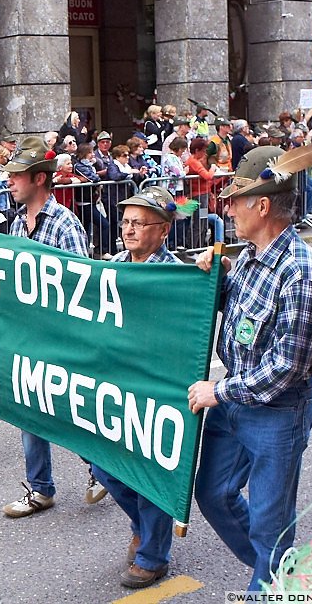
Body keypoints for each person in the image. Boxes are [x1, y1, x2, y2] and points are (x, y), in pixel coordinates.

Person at [191, 146, 312, 593]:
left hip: (275, 411)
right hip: (235, 399)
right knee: (213, 494)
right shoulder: (252, 254)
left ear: (264, 206)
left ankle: (268, 584)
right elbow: (234, 305)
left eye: (236, 200)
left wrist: (220, 392)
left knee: (271, 524)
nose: (228, 208)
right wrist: (213, 274)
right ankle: (282, 578)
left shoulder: (302, 271)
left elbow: (289, 366)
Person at [92, 185, 187, 588]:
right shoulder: (111, 265)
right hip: (114, 384)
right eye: (125, 221)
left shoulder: (178, 275)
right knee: (104, 466)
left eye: (138, 222)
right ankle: (143, 528)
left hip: (155, 390)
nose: (128, 229)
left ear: (163, 230)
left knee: (150, 472)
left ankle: (153, 554)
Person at [0, 137, 89, 519]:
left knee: (70, 408)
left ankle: (105, 467)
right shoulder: (19, 224)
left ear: (39, 179)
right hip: (29, 336)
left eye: (17, 176)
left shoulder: (64, 224)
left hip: (60, 337)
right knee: (28, 409)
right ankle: (40, 488)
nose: (9, 182)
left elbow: (84, 284)